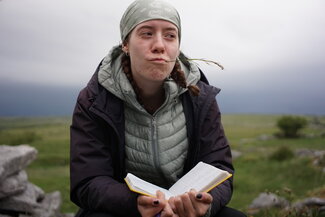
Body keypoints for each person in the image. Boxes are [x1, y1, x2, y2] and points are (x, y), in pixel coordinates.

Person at [70, 0, 247, 217]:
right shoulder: (95, 100)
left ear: (178, 45)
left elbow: (219, 167)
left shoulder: (199, 97)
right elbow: (88, 180)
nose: (160, 45)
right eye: (146, 33)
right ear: (125, 44)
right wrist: (135, 203)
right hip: (124, 211)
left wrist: (203, 204)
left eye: (170, 35)